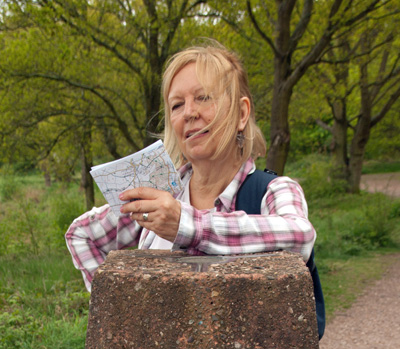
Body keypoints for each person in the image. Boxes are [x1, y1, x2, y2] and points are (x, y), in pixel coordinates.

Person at [65, 42, 316, 292]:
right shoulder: (160, 196)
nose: (189, 112)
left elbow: (300, 236)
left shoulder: (273, 191)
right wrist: (115, 308)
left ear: (241, 114)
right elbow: (81, 234)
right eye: (176, 105)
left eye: (203, 97)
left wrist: (186, 225)